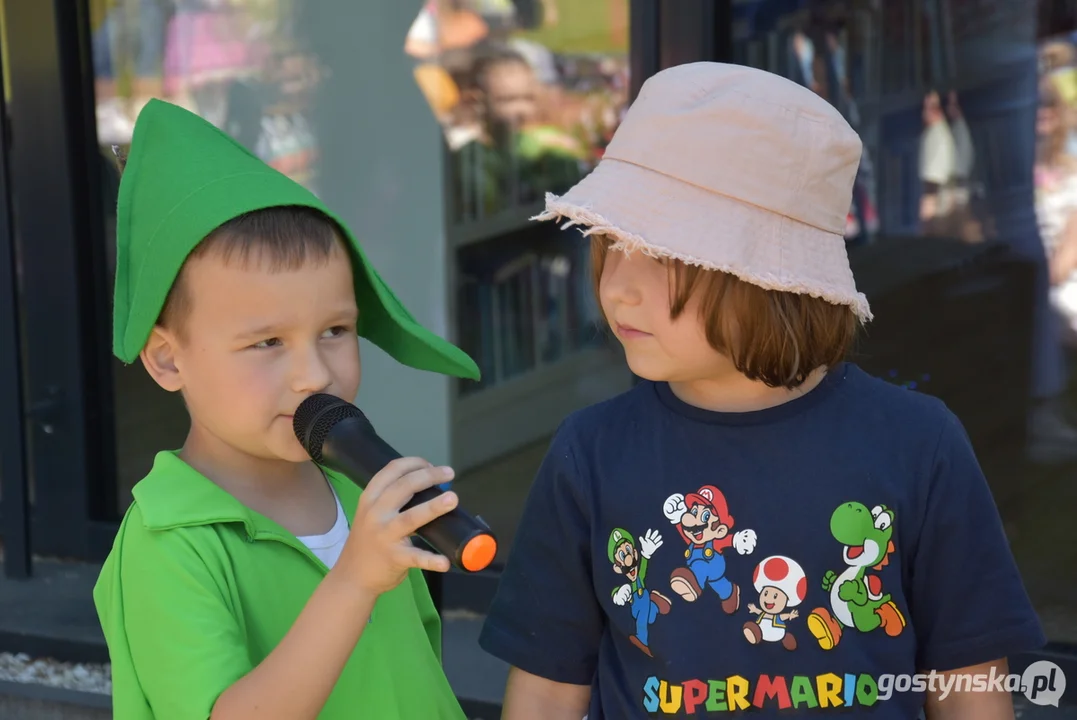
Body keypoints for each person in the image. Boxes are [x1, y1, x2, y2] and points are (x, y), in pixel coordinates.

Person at [478, 62, 1044, 719]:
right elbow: (547, 688)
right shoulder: (591, 452)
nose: (617, 286)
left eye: (660, 254)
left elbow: (968, 679)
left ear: (765, 275)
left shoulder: (918, 444)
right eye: (609, 242)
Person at [93, 99, 480, 719]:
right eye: (267, 343)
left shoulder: (362, 497)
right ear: (168, 361)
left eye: (335, 330)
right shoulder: (168, 545)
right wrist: (353, 580)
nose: (315, 373)